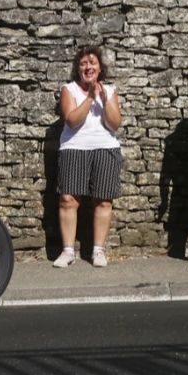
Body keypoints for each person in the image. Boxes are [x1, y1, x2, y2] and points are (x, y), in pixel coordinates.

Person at [54, 46, 123, 268]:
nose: (88, 67)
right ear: (78, 68)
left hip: (105, 148)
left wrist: (103, 98)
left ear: (100, 68)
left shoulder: (110, 91)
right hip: (74, 148)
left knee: (103, 199)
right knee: (68, 200)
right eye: (83, 63)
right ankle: (67, 251)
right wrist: (90, 98)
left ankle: (98, 250)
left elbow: (114, 124)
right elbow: (72, 120)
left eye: (92, 63)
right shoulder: (69, 89)